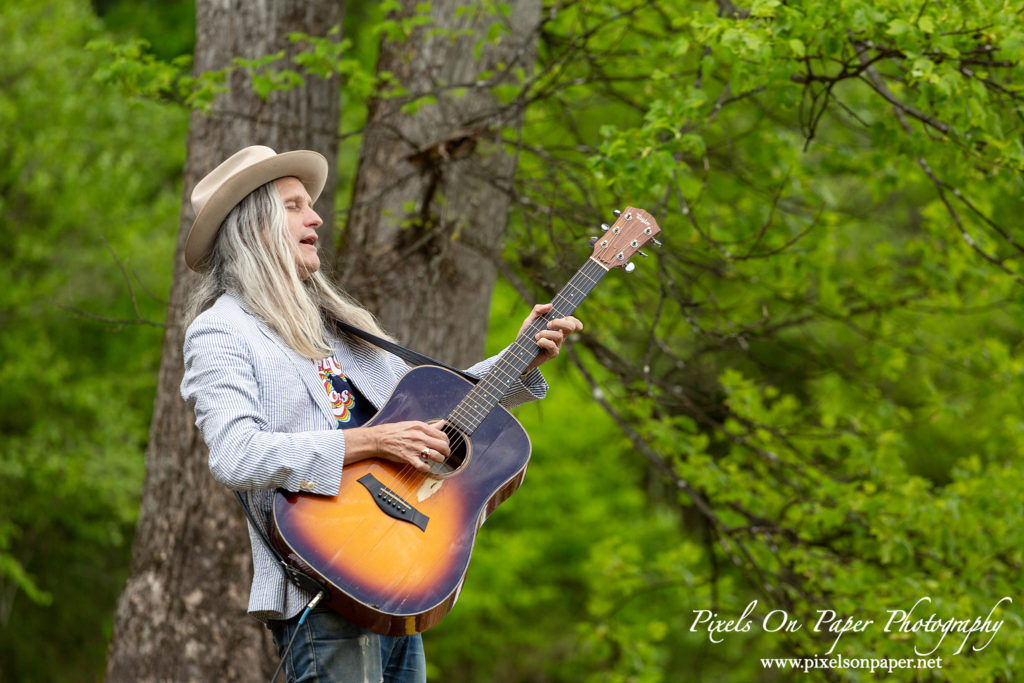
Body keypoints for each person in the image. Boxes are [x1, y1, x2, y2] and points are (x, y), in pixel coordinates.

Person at [179, 145, 582, 682]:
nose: (316, 216)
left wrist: (520, 354)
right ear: (254, 226)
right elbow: (236, 455)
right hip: (322, 588)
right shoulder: (223, 330)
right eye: (295, 206)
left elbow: (438, 412)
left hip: (395, 580)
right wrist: (373, 444)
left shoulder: (332, 325)